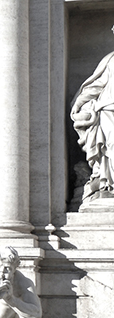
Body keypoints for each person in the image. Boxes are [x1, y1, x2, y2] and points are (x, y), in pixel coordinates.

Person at [71, 30, 114, 202]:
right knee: (111, 146)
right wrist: (79, 102)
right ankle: (108, 183)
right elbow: (96, 85)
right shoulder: (111, 59)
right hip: (109, 109)